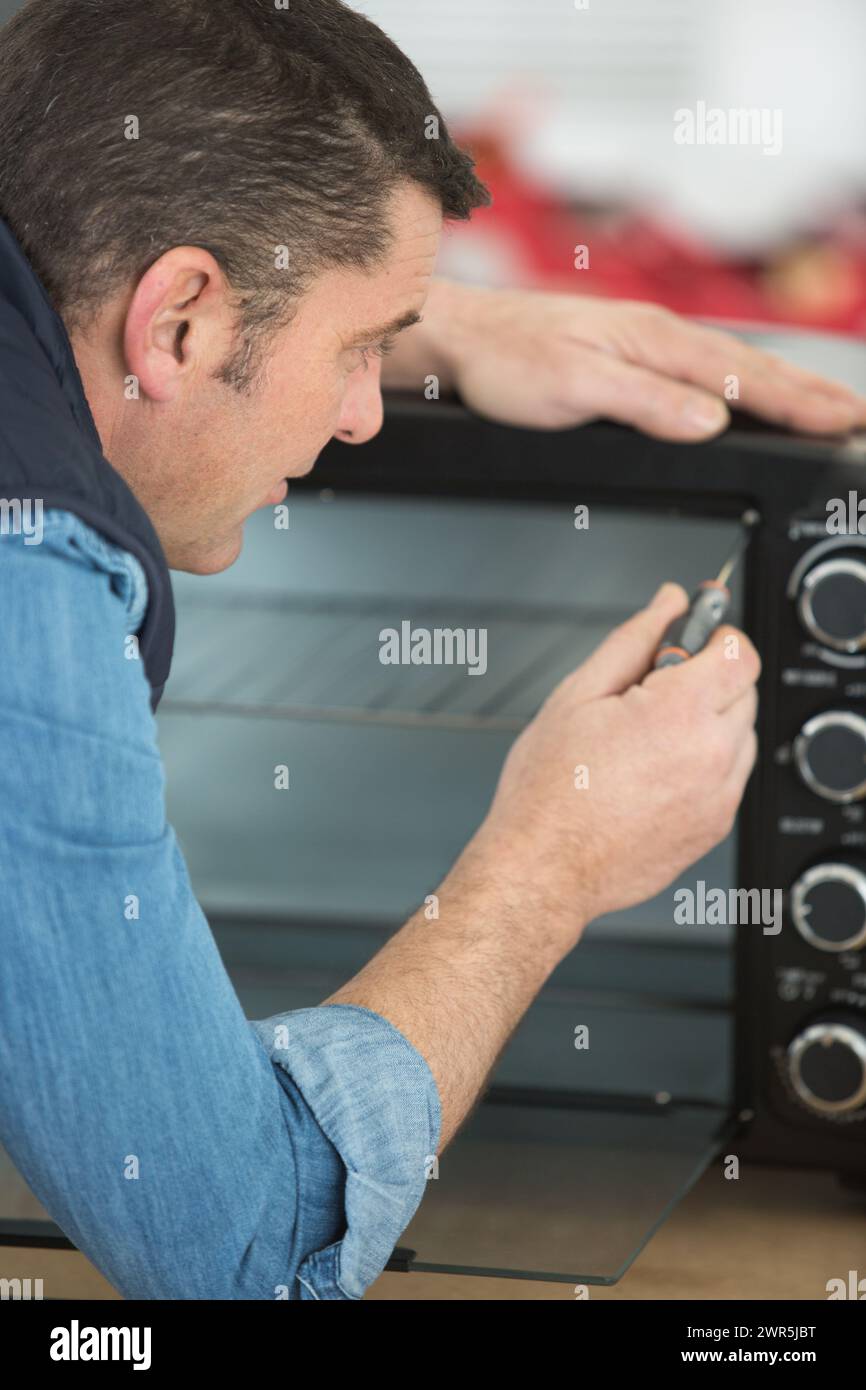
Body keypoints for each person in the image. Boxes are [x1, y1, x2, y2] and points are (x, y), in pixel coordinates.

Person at [0, 0, 863, 1302]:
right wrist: (548, 863)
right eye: (358, 352)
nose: (364, 414)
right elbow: (240, 1253)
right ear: (177, 324)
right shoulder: (33, 589)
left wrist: (431, 319)